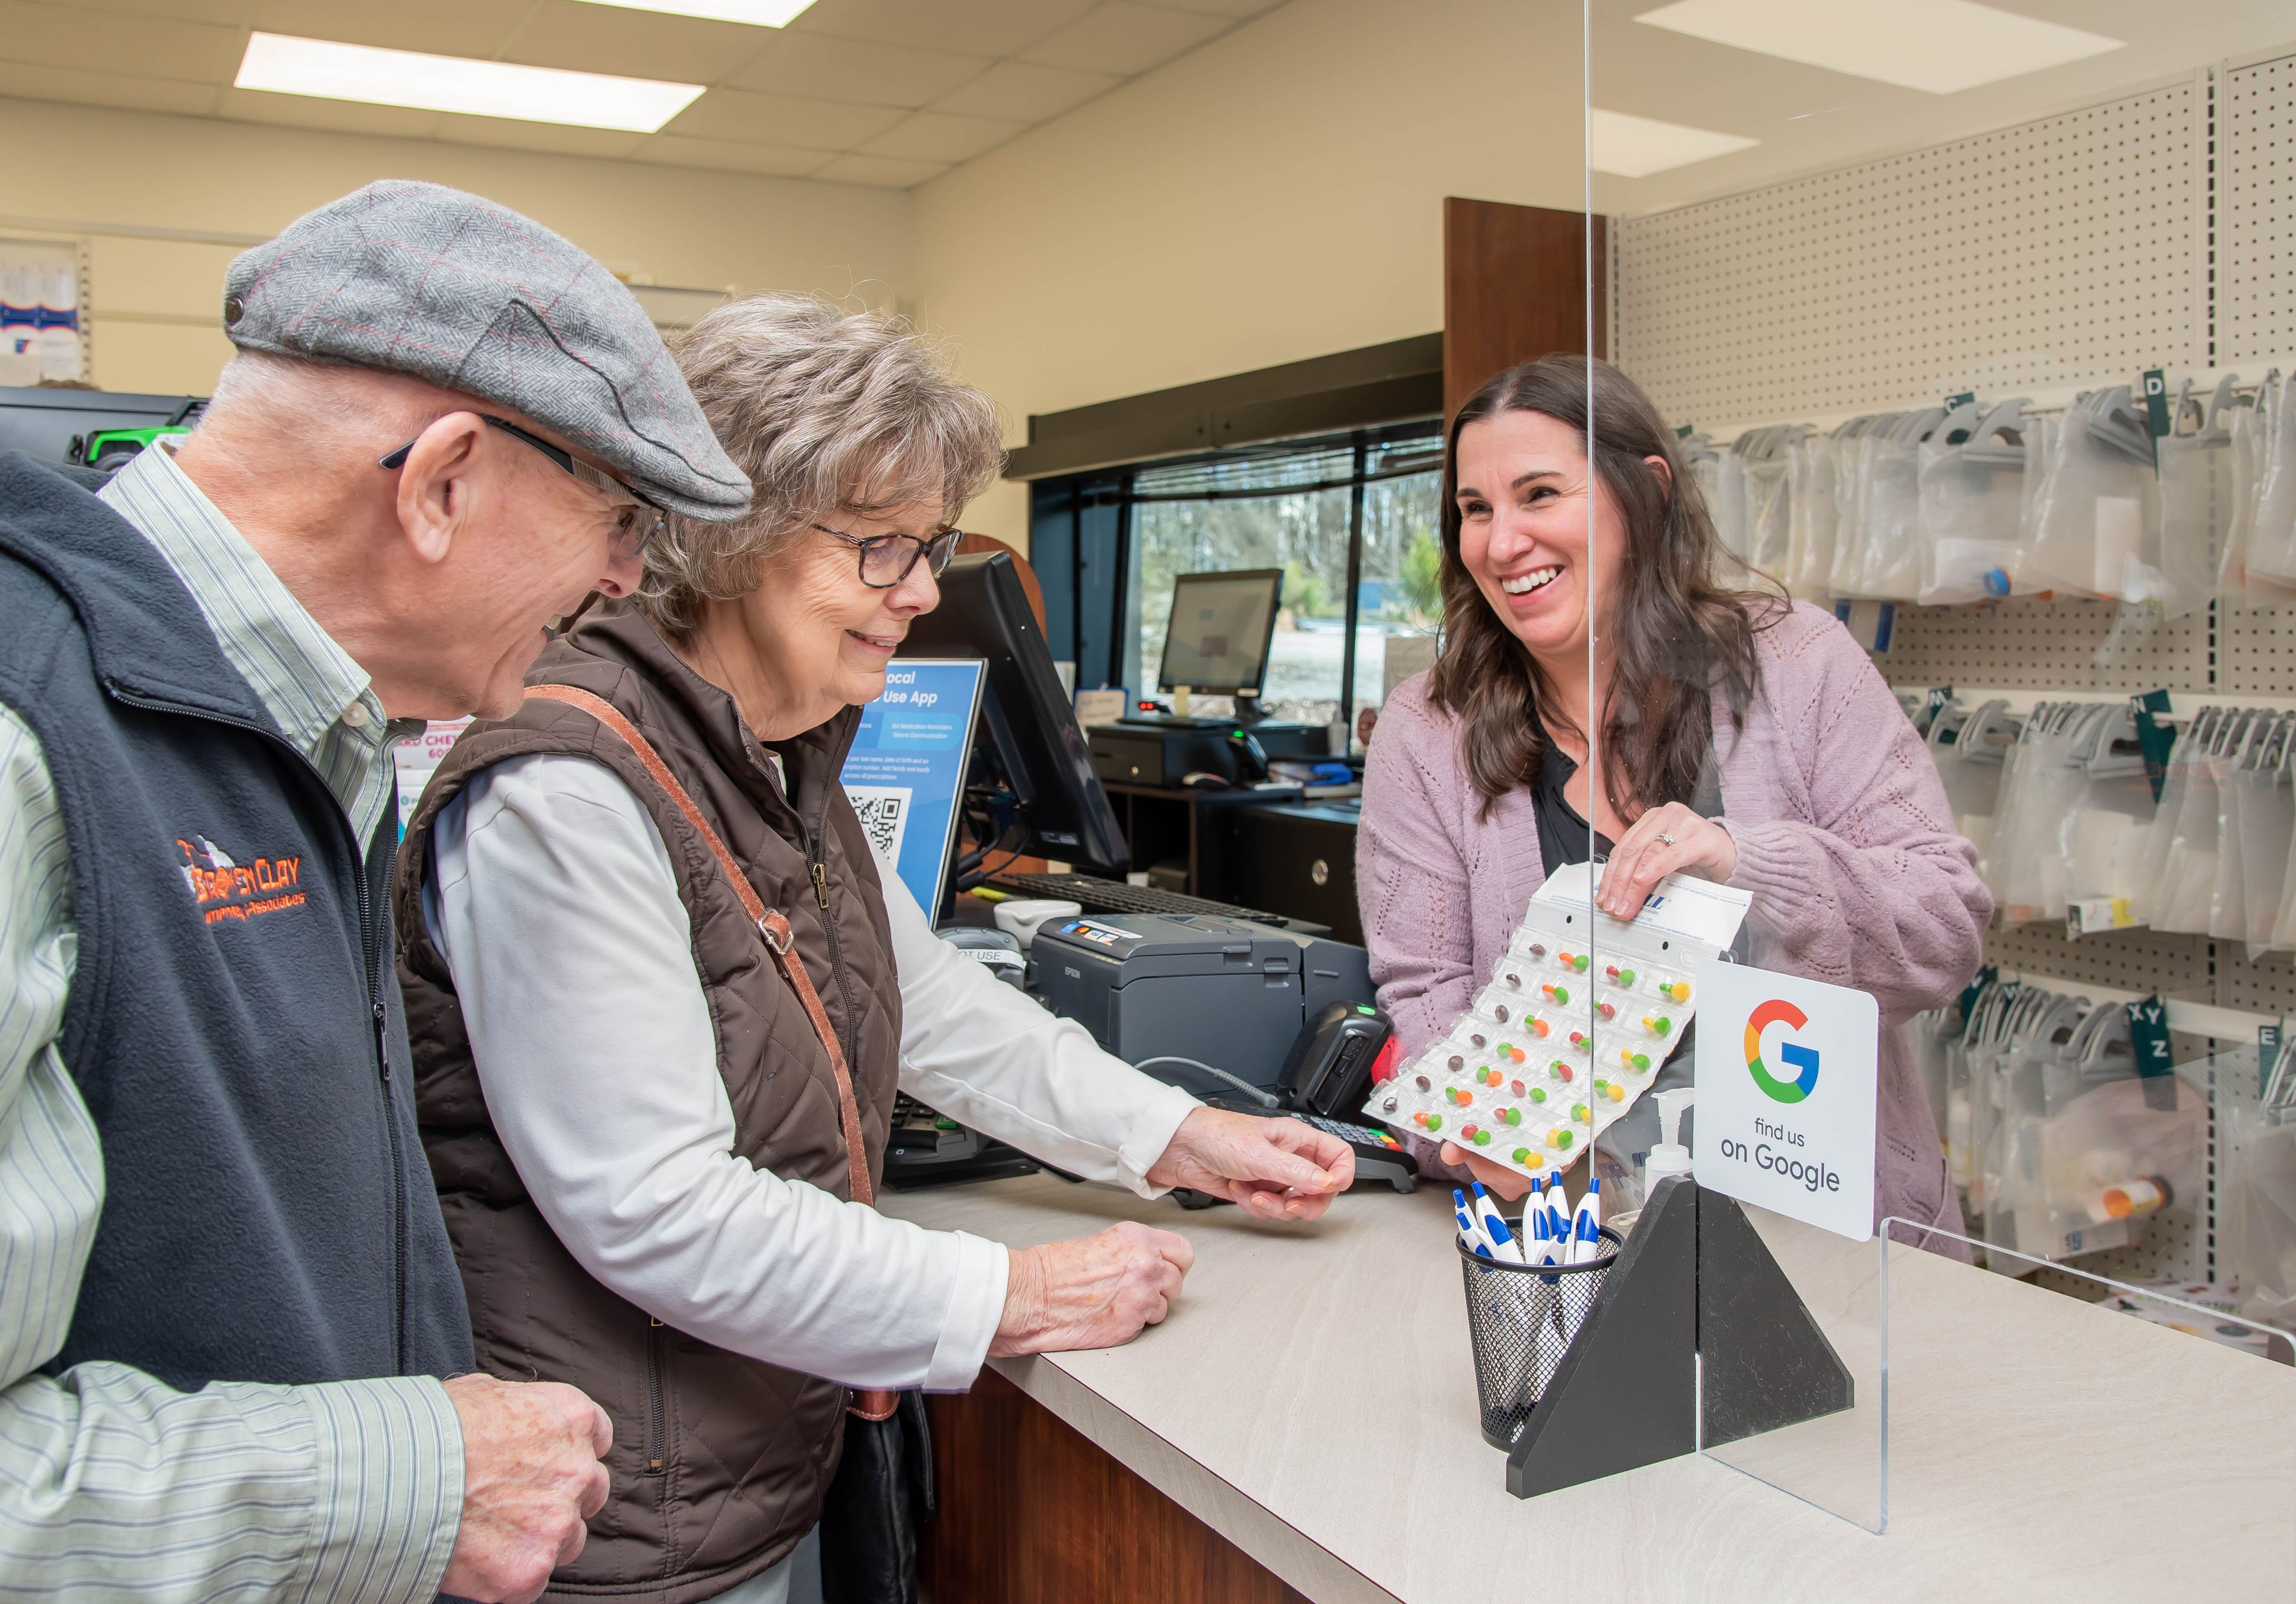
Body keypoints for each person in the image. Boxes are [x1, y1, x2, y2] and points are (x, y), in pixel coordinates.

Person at [394, 293, 1356, 1603]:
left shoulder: (772, 752)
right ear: (726, 535)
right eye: (878, 550)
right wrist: (1007, 1292)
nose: (917, 596)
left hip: (747, 1450)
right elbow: (658, 1210)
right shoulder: (570, 793)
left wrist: (1177, 1136)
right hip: (619, 1509)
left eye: (929, 546)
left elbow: (922, 993)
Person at [0, 180, 755, 1599]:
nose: (620, 581)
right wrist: (407, 1481)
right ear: (442, 480)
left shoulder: (308, 735)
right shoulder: (27, 742)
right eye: (615, 519)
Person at [1356, 354, 1990, 1236]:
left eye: (1540, 494)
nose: (1501, 542)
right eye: (1475, 509)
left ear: (1646, 495)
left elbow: (1945, 930)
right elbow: (1427, 998)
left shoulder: (1801, 664)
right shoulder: (1427, 732)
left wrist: (1747, 863)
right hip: (1570, 1257)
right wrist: (1482, 1130)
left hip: (1831, 1253)